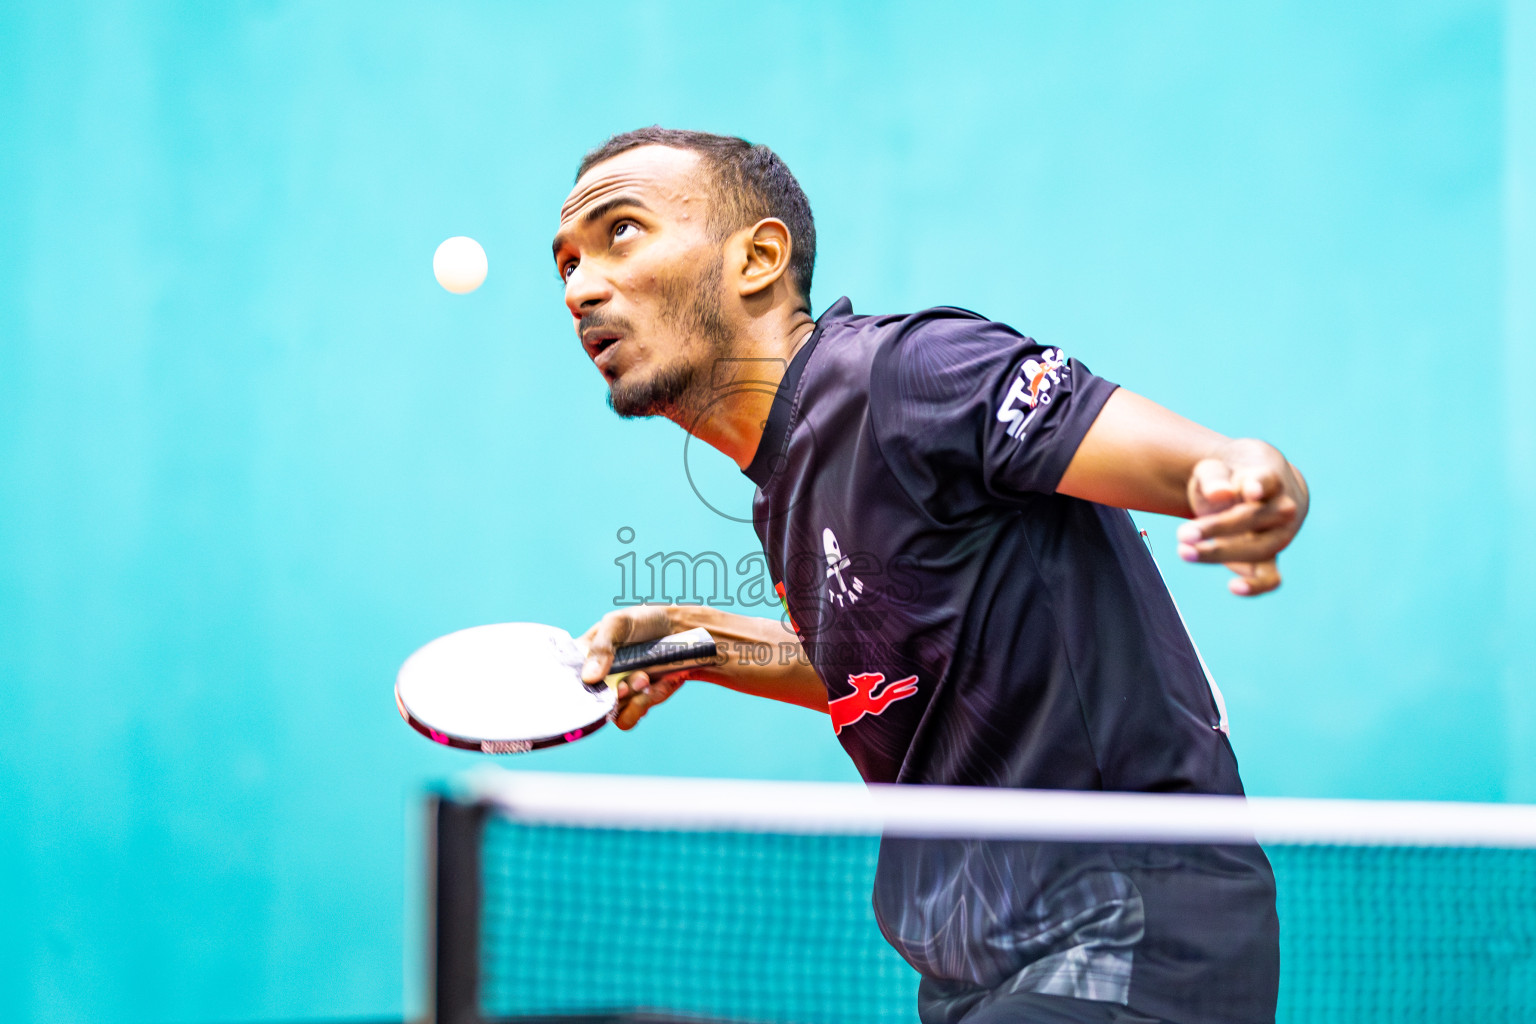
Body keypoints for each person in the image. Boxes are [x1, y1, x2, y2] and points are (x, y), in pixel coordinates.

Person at [554, 127, 1308, 1024]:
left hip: (1120, 938)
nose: (581, 288)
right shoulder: (785, 482)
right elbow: (886, 663)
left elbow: (1207, 466)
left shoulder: (908, 374)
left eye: (621, 233)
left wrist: (1249, 483)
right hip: (977, 977)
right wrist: (706, 641)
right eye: (564, 265)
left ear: (758, 257)